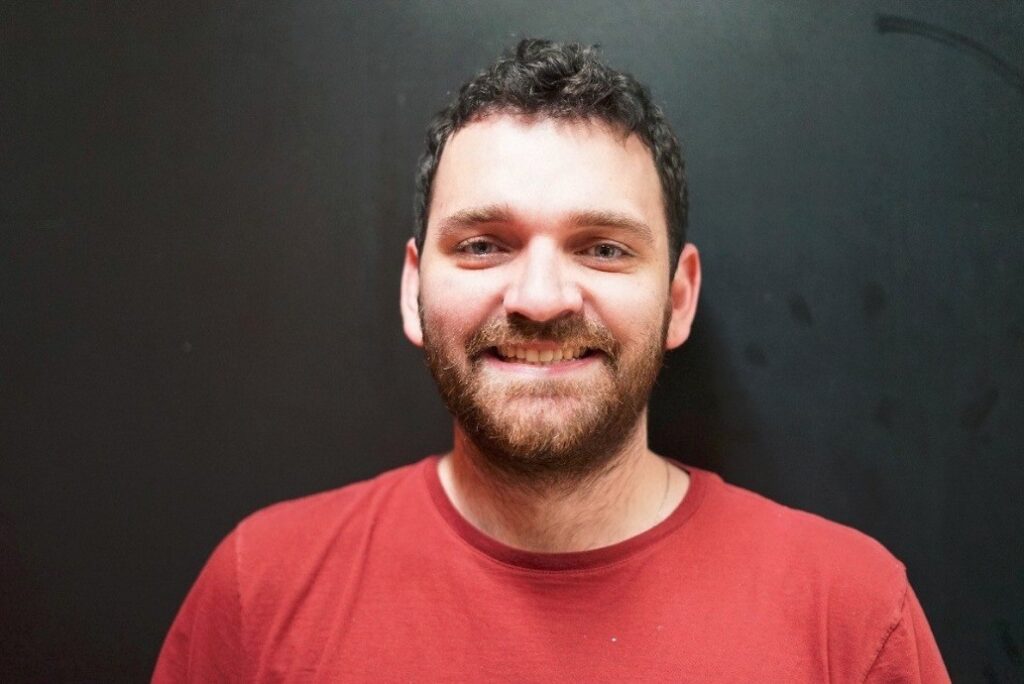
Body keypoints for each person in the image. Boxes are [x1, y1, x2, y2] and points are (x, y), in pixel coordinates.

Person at [153, 39, 949, 682]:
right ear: (412, 291)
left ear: (678, 299)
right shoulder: (260, 592)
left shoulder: (849, 619)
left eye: (603, 248)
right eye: (482, 245)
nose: (539, 298)